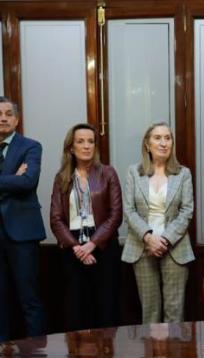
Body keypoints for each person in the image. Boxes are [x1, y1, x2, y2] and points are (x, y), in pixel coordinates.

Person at [49, 123, 123, 331]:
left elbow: (116, 214)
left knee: (106, 306)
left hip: (103, 245)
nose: (86, 146)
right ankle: (79, 352)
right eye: (80, 142)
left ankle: (107, 351)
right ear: (71, 148)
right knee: (77, 306)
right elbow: (56, 218)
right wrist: (77, 248)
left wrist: (92, 244)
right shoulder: (62, 178)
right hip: (72, 247)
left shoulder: (108, 173)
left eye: (91, 141)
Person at [122, 122, 195, 323]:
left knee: (174, 312)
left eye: (167, 138)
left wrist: (164, 240)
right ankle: (152, 346)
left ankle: (173, 346)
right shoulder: (133, 172)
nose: (163, 143)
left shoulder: (183, 173)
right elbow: (129, 210)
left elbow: (186, 211)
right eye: (157, 138)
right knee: (150, 312)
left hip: (175, 248)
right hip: (142, 248)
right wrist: (149, 238)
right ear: (147, 144)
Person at [0, 97, 46, 341]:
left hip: (22, 233)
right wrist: (13, 178)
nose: (3, 118)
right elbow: (17, 182)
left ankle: (37, 353)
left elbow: (28, 182)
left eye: (8, 114)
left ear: (17, 120)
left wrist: (19, 180)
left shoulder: (31, 146)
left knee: (29, 298)